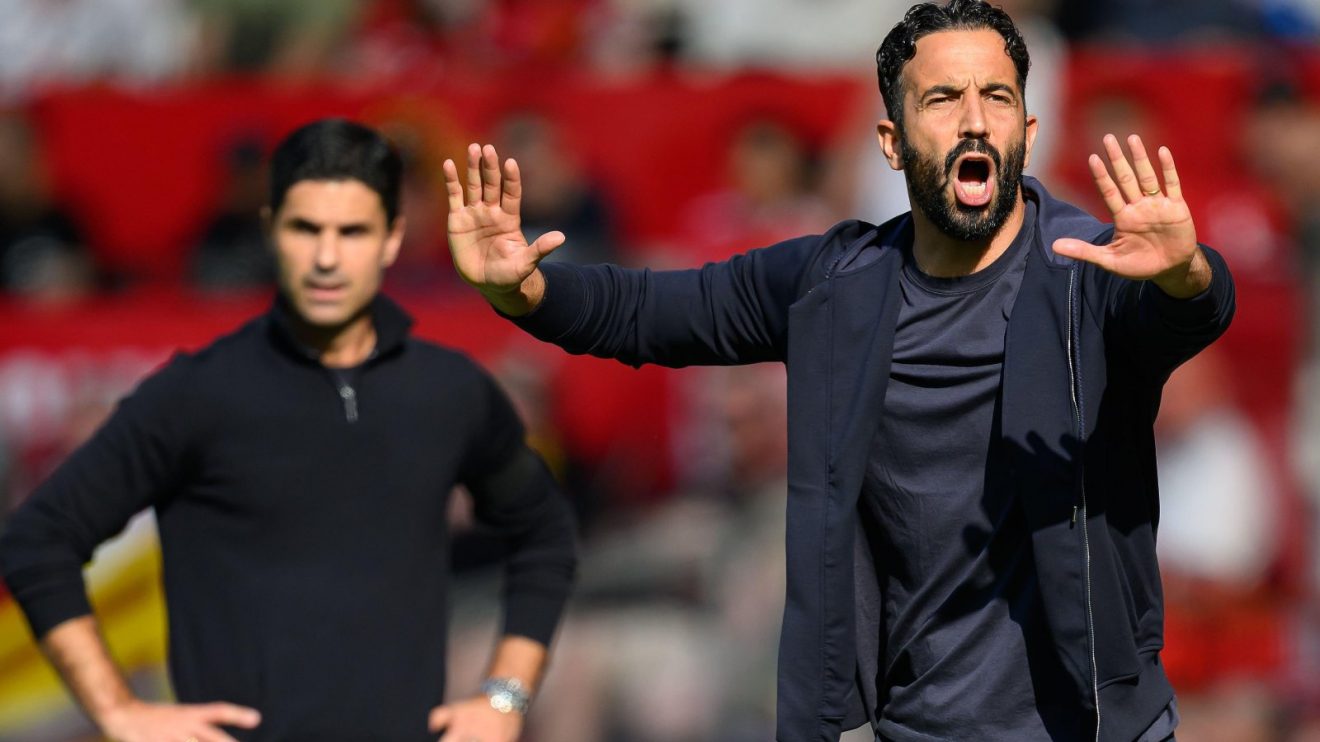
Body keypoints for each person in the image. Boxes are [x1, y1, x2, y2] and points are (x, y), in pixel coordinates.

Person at [443, 1, 1234, 740]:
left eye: (996, 97)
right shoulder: (837, 284)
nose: (973, 120)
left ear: (1027, 129)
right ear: (891, 141)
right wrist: (526, 291)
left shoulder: (1089, 270)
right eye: (942, 99)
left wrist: (1187, 272)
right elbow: (650, 311)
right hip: (908, 726)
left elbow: (1190, 312)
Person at [0, 118, 577, 742]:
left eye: (352, 231)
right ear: (272, 229)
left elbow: (544, 532)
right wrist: (117, 709)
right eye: (306, 229)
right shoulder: (196, 394)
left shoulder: (448, 390)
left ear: (392, 238)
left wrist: (504, 696)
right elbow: (39, 539)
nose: (327, 258)